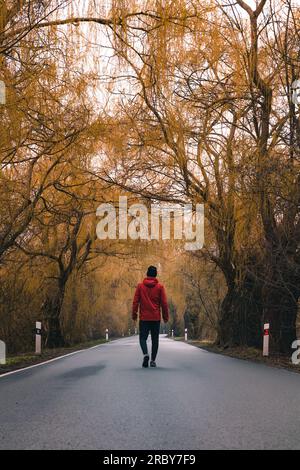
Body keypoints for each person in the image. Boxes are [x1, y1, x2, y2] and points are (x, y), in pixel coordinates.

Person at [132, 266, 169, 368]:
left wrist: (134, 314)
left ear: (147, 274)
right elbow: (164, 303)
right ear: (155, 275)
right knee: (155, 339)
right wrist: (165, 317)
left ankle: (145, 354)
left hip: (144, 318)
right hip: (155, 318)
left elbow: (135, 302)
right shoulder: (160, 287)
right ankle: (153, 360)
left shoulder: (140, 287)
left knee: (142, 338)